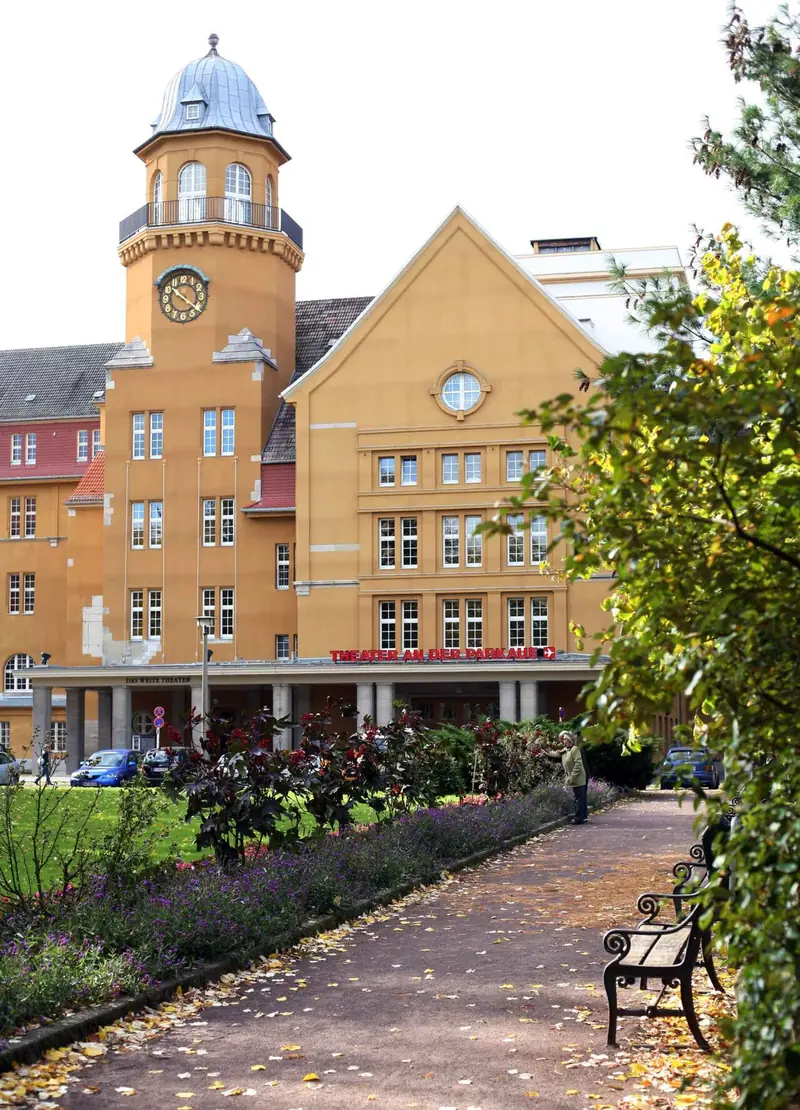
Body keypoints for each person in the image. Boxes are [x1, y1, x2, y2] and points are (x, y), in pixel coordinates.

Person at [548, 730, 588, 825]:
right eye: (563, 740)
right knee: (578, 798)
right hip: (572, 778)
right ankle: (582, 817)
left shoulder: (574, 749)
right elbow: (557, 755)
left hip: (578, 778)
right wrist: (545, 753)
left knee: (579, 798)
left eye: (565, 740)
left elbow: (578, 764)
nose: (563, 741)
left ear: (569, 740)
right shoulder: (566, 750)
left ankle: (579, 818)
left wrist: (572, 776)